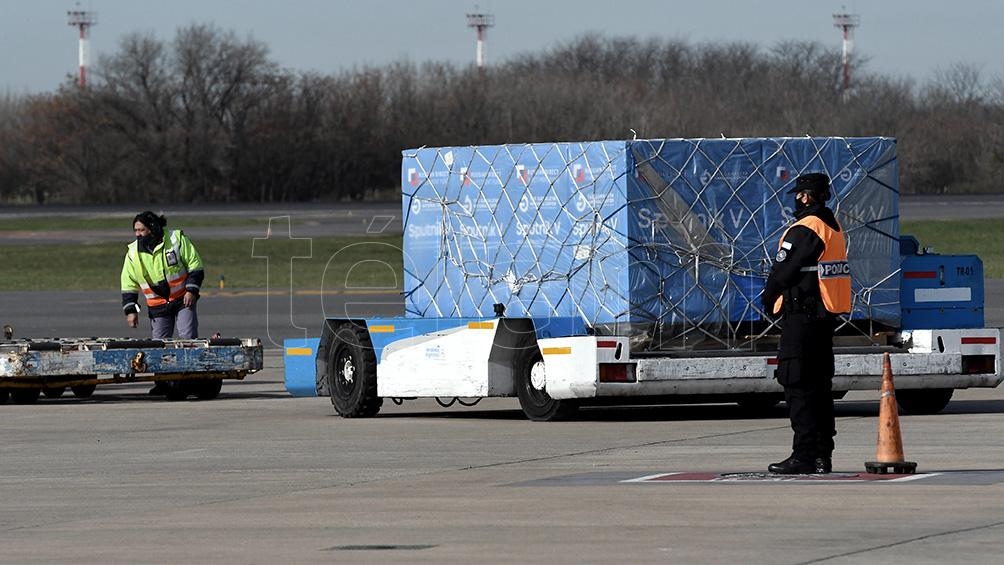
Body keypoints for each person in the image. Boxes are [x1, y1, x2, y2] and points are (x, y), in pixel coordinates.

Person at [761, 173, 851, 474]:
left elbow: (784, 272)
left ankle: (803, 454)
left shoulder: (806, 228)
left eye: (798, 195)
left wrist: (768, 296)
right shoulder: (832, 226)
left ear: (805, 196)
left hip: (802, 317)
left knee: (797, 383)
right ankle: (822, 455)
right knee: (820, 388)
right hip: (824, 318)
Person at [121, 211, 205, 393]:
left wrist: (191, 290)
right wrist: (131, 310)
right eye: (135, 230)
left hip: (183, 299)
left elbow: (195, 265)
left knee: (187, 339)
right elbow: (128, 283)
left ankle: (190, 380)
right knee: (159, 345)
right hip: (157, 305)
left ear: (153, 228)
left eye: (141, 230)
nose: (137, 234)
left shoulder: (176, 239)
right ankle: (162, 383)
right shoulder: (133, 253)